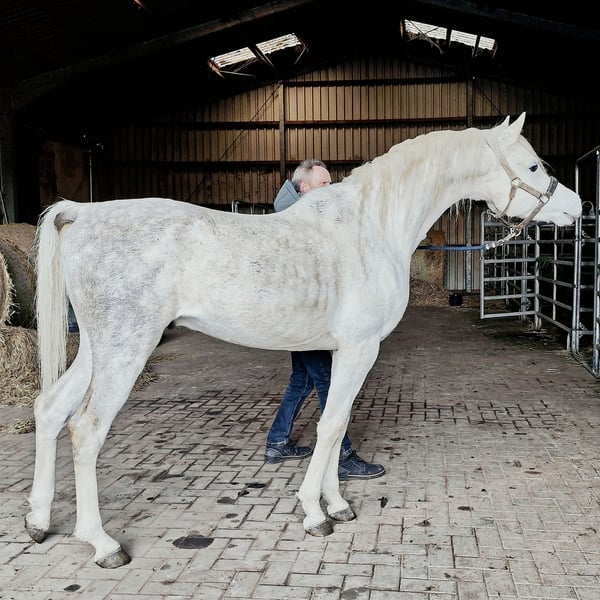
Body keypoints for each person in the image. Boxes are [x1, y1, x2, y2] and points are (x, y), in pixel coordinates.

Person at [265, 159, 385, 481]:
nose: (331, 189)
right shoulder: (297, 223)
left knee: (302, 380)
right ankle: (342, 457)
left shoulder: (307, 218)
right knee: (329, 382)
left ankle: (277, 442)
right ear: (304, 188)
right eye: (324, 184)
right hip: (309, 319)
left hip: (302, 319)